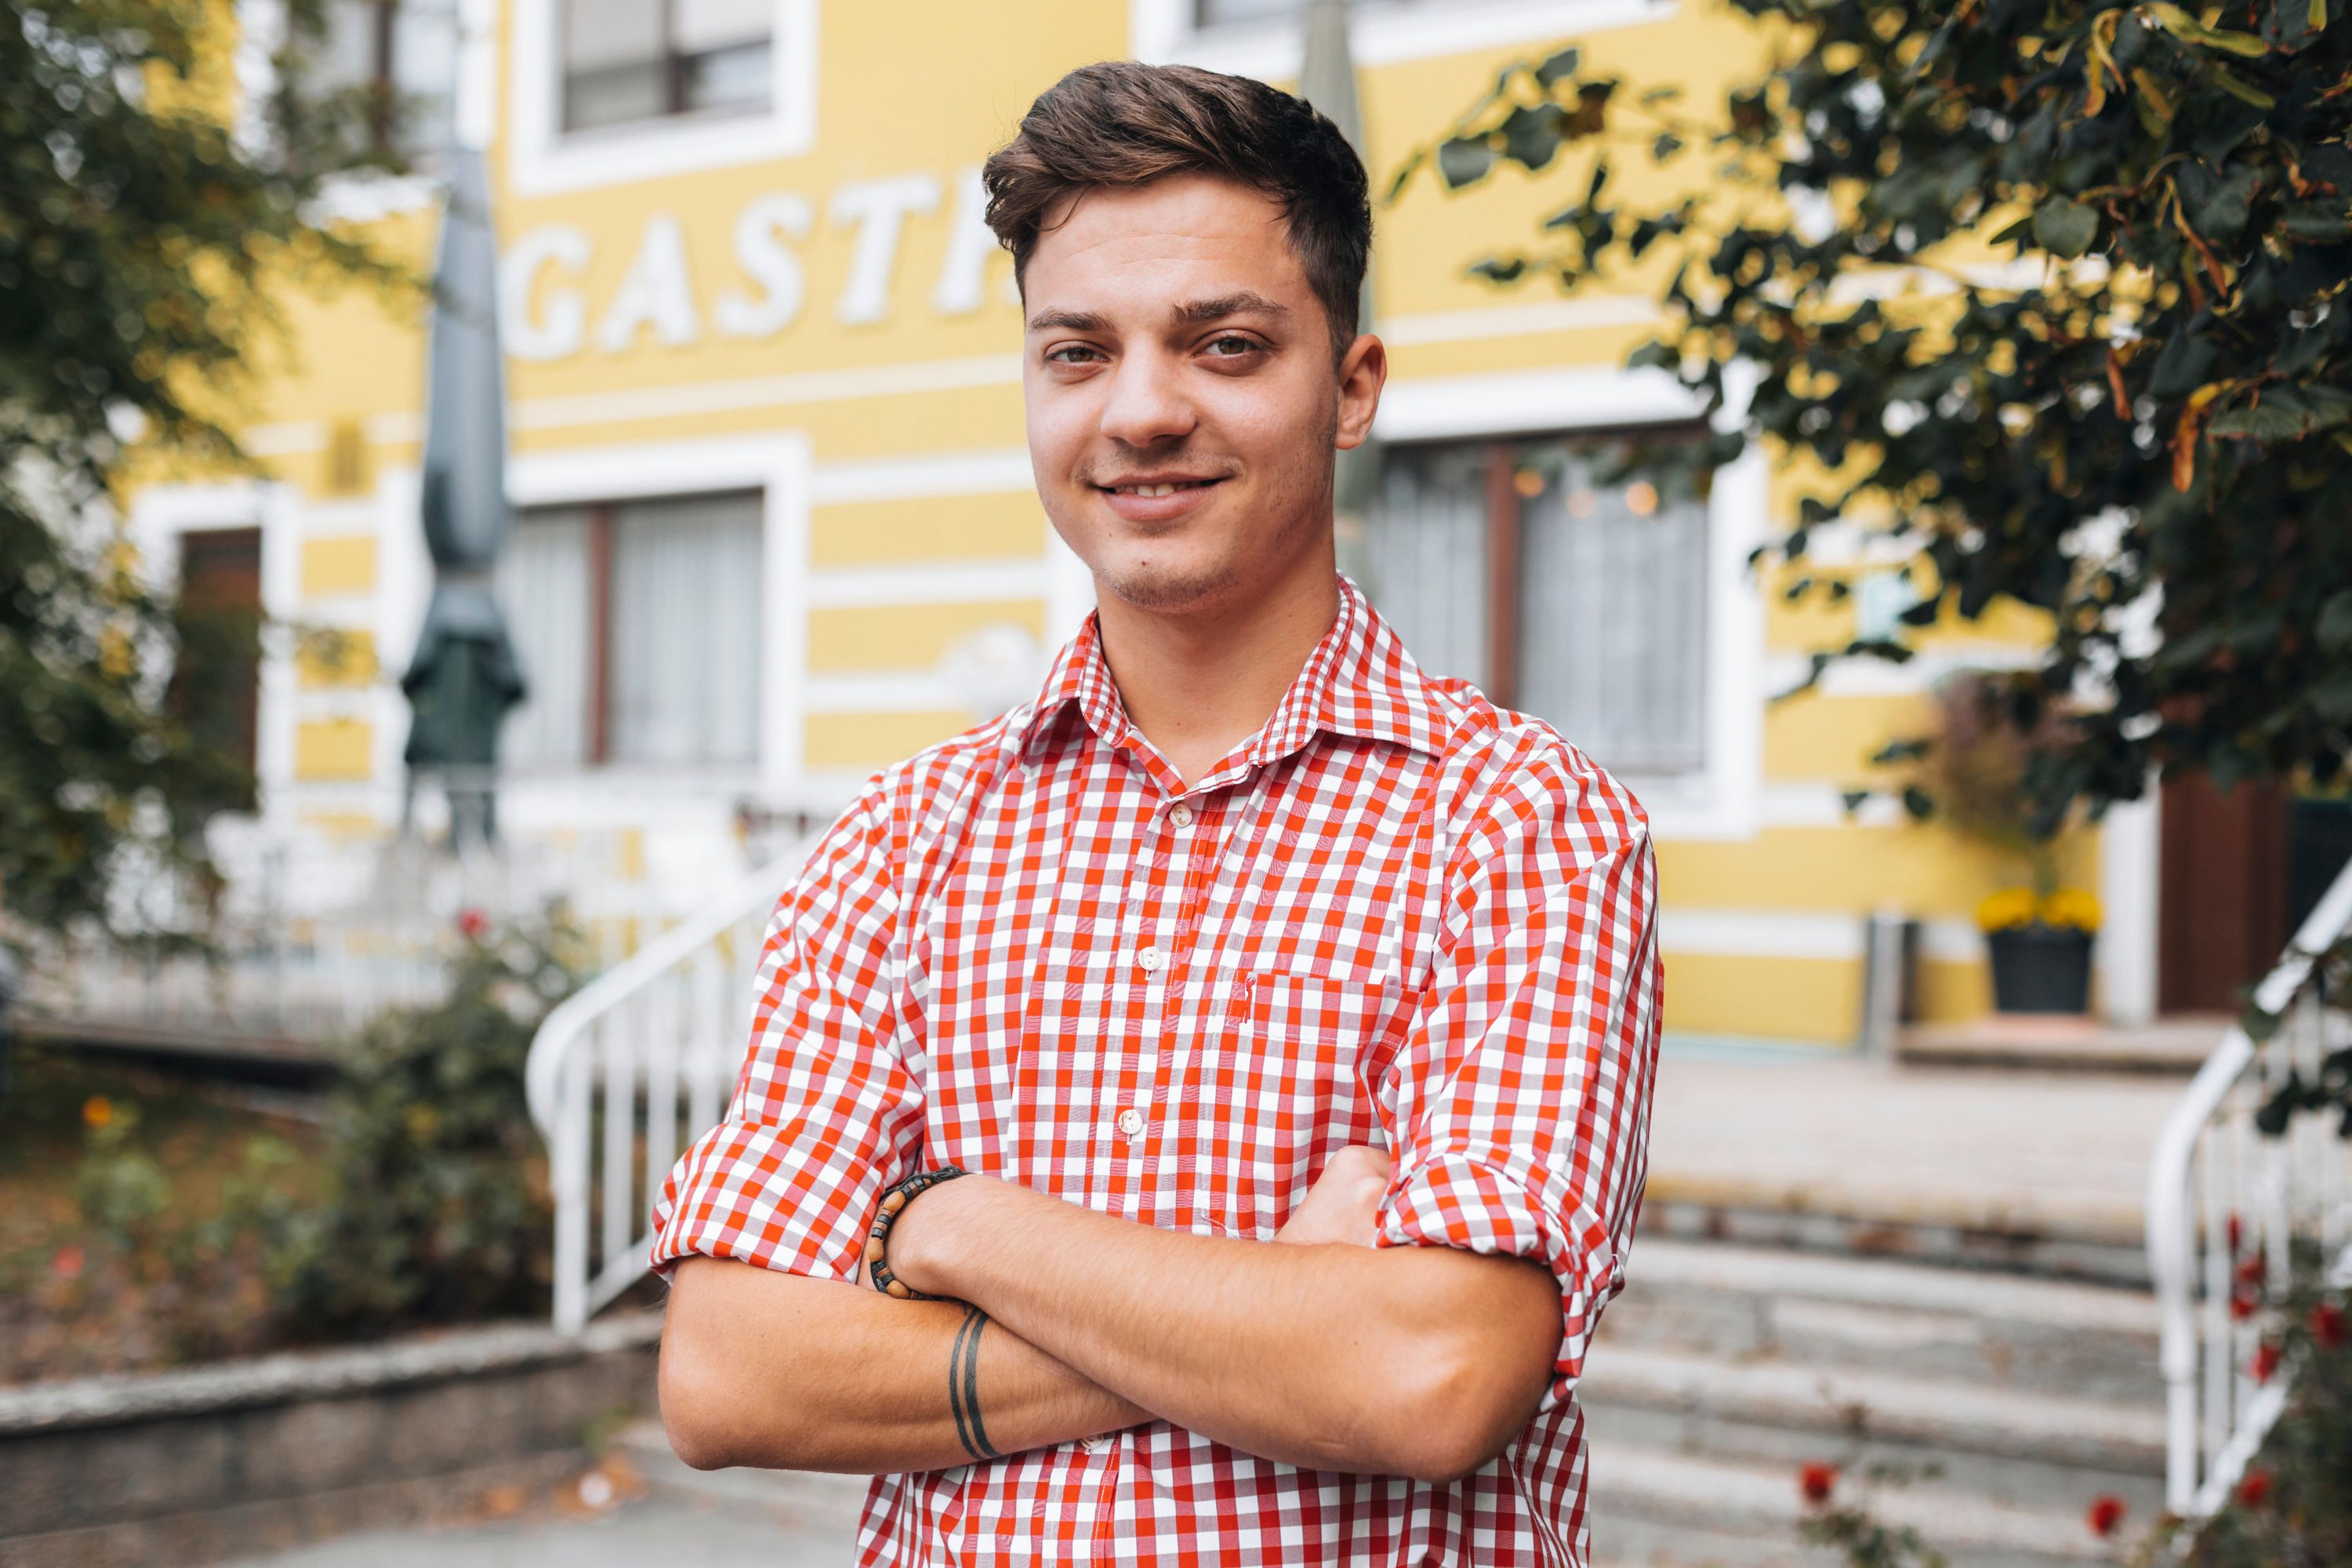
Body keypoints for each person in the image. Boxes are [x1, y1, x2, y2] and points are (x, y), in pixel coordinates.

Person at [649, 60, 1662, 1568]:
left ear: (1354, 387)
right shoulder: (900, 841)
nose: (1141, 411)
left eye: (1227, 344)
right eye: (1076, 352)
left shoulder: (1517, 826)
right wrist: (1276, 1307)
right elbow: (728, 1371)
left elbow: (1431, 1375)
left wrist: (947, 1226)